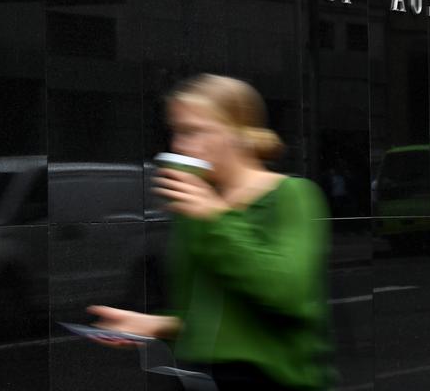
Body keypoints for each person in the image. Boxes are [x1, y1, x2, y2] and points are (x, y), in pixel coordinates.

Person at [89, 74, 334, 390]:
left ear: (239, 134)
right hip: (202, 380)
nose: (179, 145)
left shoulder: (293, 195)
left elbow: (286, 294)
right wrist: (155, 325)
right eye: (175, 132)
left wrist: (214, 216)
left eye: (194, 131)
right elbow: (216, 317)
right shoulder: (197, 208)